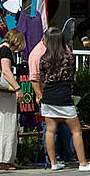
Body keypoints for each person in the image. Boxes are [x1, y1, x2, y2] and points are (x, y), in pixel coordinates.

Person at [39, 27, 90, 172]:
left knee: (50, 130)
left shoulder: (44, 58)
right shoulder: (68, 57)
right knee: (76, 130)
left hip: (48, 96)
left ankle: (53, 162)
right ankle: (83, 163)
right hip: (64, 96)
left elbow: (42, 77)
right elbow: (73, 75)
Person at [29, 28, 76, 165]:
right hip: (48, 94)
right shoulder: (37, 54)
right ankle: (52, 158)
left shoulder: (62, 49)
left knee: (65, 128)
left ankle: (68, 155)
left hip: (62, 93)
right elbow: (35, 78)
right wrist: (39, 96)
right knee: (51, 129)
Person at [0, 29, 25, 170]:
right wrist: (17, 88)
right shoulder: (5, 52)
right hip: (4, 93)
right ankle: (2, 159)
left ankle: (5, 158)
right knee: (5, 124)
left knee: (3, 123)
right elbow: (6, 71)